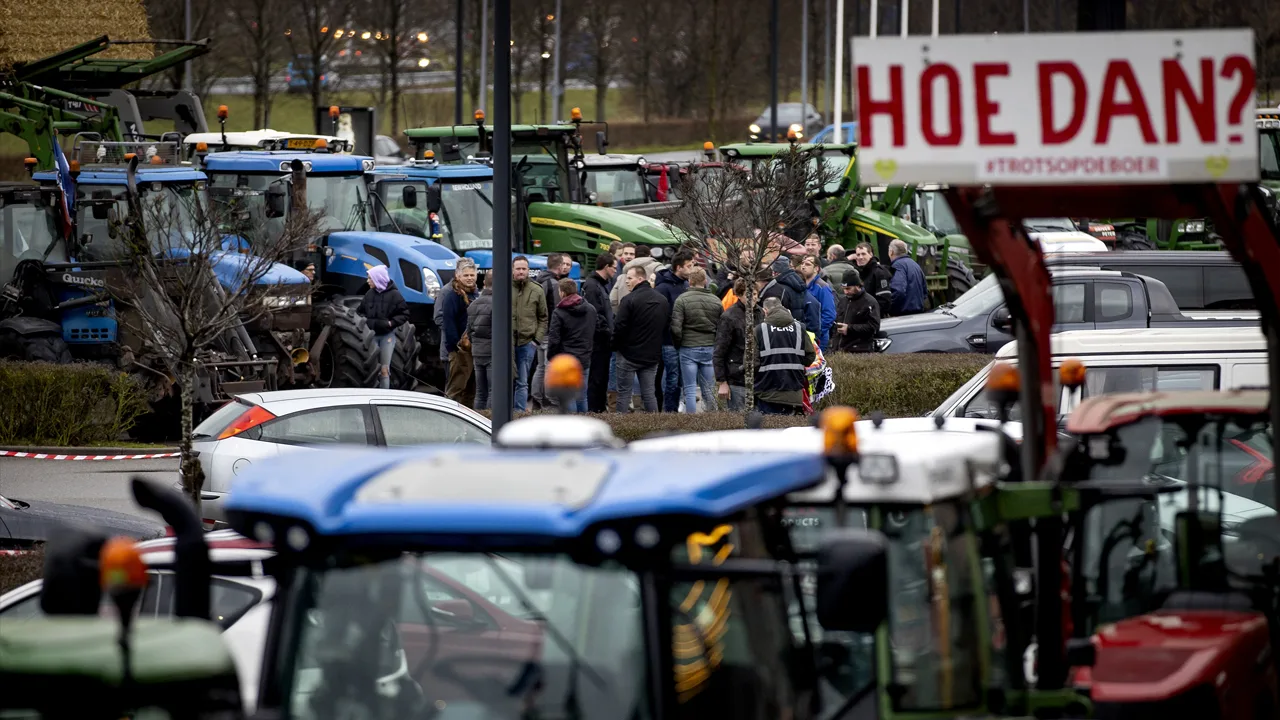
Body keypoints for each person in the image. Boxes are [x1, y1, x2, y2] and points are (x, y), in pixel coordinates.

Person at [613, 265, 669, 413]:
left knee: (624, 393)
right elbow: (665, 326)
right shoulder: (662, 300)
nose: (626, 281)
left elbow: (619, 327)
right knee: (649, 394)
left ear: (640, 279)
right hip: (652, 355)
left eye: (629, 278)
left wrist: (614, 345)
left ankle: (620, 424)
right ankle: (654, 424)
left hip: (627, 354)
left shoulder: (628, 299)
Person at [671, 266, 722, 414]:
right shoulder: (715, 301)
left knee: (690, 388)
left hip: (688, 347)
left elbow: (676, 327)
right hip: (709, 346)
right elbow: (721, 327)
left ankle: (691, 421)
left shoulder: (682, 300)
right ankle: (712, 419)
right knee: (709, 389)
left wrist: (678, 344)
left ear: (689, 281)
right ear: (705, 281)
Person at [753, 297, 816, 415]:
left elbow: (753, 364)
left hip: (767, 392)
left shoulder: (759, 330)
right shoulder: (799, 327)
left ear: (765, 311)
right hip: (794, 392)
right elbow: (810, 356)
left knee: (768, 426)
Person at [547, 278, 597, 413]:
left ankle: (571, 423)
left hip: (566, 360)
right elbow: (595, 330)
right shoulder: (590, 309)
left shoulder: (559, 312)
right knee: (582, 396)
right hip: (585, 357)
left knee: (568, 397)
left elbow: (554, 339)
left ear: (562, 292)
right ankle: (584, 422)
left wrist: (551, 357)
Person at [531, 253, 573, 410]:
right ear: (560, 266)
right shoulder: (554, 284)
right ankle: (549, 400)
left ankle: (536, 398)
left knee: (540, 367)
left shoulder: (539, 280)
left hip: (540, 331)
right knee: (549, 366)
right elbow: (557, 310)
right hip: (549, 331)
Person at [357, 265, 409, 389]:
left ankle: (385, 394)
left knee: (384, 368)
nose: (367, 281)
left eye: (370, 278)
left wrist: (391, 323)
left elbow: (404, 314)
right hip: (371, 336)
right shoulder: (369, 294)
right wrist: (366, 322)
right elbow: (359, 312)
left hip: (387, 336)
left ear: (378, 278)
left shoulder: (395, 295)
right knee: (370, 368)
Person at [654, 250, 694, 412]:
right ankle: (669, 411)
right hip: (668, 340)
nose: (692, 269)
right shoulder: (663, 288)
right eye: (689, 266)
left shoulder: (686, 285)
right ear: (679, 267)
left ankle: (675, 408)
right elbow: (659, 314)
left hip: (684, 339)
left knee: (679, 378)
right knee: (672, 377)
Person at [512, 255, 548, 412]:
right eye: (518, 268)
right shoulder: (503, 287)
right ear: (512, 270)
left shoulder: (537, 290)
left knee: (522, 382)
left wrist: (536, 340)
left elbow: (543, 317)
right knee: (504, 381)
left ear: (528, 270)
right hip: (507, 343)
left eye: (524, 269)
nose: (521, 271)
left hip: (527, 343)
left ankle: (519, 414)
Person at [440, 257, 478, 406]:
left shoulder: (476, 294)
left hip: (474, 349)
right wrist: (456, 347)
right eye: (466, 275)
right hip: (459, 350)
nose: (469, 278)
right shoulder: (452, 296)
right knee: (455, 389)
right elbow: (448, 323)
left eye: (472, 275)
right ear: (458, 276)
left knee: (470, 390)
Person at [582, 252, 616, 413]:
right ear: (606, 267)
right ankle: (595, 410)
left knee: (602, 377)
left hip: (603, 340)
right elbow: (595, 313)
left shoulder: (600, 285)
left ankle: (599, 408)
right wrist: (607, 331)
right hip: (598, 341)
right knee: (596, 377)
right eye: (614, 268)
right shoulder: (592, 285)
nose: (615, 270)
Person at [714, 278, 749, 411]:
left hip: (758, 378)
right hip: (736, 375)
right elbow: (720, 350)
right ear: (739, 295)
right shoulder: (729, 317)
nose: (753, 298)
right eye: (748, 294)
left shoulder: (760, 313)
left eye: (755, 294)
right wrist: (722, 381)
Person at [835, 269, 881, 353]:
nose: (846, 292)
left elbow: (874, 327)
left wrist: (849, 328)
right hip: (841, 350)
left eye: (848, 288)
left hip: (860, 350)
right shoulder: (843, 301)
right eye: (844, 289)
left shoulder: (869, 302)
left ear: (857, 286)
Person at [467, 272, 495, 410]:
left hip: (477, 352)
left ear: (484, 283)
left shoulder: (473, 304)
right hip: (492, 352)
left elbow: (469, 331)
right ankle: (489, 420)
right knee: (493, 391)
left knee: (480, 392)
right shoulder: (498, 304)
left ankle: (478, 417)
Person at [798, 254, 837, 351]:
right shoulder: (801, 286)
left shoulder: (822, 287)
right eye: (802, 263)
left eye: (807, 264)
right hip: (805, 336)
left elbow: (829, 314)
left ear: (816, 268)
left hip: (819, 339)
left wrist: (817, 333)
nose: (803, 266)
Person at [610, 245, 660, 312]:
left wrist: (619, 313)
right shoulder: (657, 273)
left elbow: (613, 299)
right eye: (626, 253)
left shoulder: (622, 277)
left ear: (635, 256)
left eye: (631, 254)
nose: (628, 256)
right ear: (649, 255)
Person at [853, 241, 894, 318]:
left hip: (877, 318)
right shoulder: (860, 273)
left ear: (871, 254)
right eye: (858, 255)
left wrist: (870, 314)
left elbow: (884, 300)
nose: (860, 257)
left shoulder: (879, 272)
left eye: (863, 254)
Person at [887, 238, 928, 316]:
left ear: (891, 252)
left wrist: (889, 306)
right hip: (918, 314)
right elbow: (925, 291)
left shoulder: (898, 265)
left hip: (903, 315)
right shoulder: (915, 264)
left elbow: (898, 291)